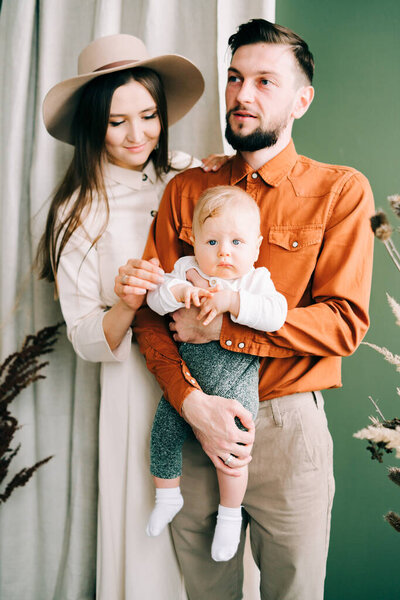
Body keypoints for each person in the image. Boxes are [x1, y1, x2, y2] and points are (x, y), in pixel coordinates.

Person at [116, 18, 375, 600]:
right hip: (192, 419)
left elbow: (344, 323)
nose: (242, 95)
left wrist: (229, 322)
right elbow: (149, 316)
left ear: (301, 100)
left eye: (264, 81)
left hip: (286, 426)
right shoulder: (187, 187)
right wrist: (191, 404)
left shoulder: (340, 191)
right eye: (235, 79)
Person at [36, 32, 226, 600]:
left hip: (211, 377)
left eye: (148, 116)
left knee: (221, 529)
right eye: (118, 122)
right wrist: (126, 301)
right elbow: (85, 338)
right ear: (93, 123)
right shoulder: (77, 211)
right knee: (150, 546)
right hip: (134, 394)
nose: (138, 135)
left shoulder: (190, 175)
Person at [145, 185, 287, 562]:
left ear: (255, 248)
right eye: (212, 241)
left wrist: (233, 302)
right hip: (188, 384)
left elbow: (277, 314)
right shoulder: (185, 271)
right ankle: (167, 496)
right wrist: (176, 293)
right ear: (194, 241)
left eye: (237, 242)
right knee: (162, 432)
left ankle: (229, 515)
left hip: (236, 385)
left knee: (233, 455)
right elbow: (154, 299)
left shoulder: (254, 281)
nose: (224, 251)